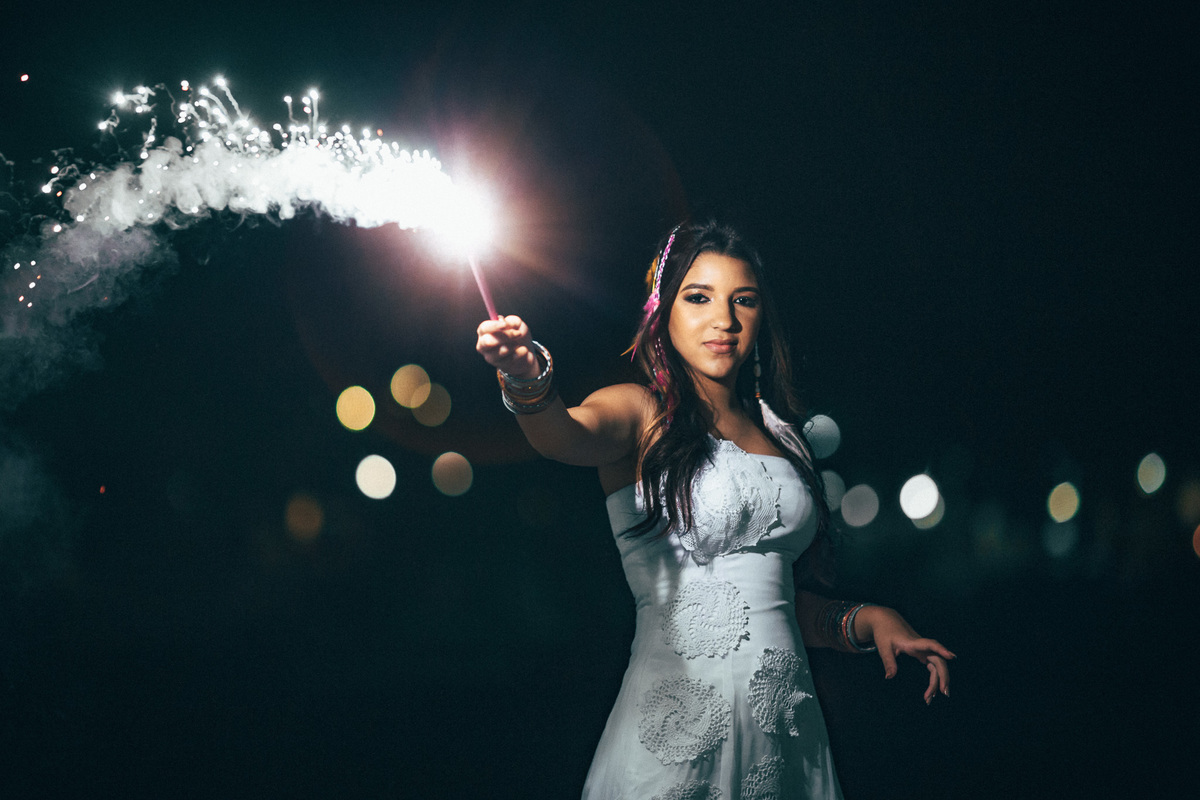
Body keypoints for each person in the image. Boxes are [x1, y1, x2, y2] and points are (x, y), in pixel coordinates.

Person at [476, 221, 954, 800]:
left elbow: (770, 603)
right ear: (663, 312)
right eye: (698, 297)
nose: (723, 321)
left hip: (784, 731)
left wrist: (866, 621)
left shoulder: (785, 435)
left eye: (742, 301)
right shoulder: (639, 412)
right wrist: (527, 378)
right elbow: (562, 435)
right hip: (677, 730)